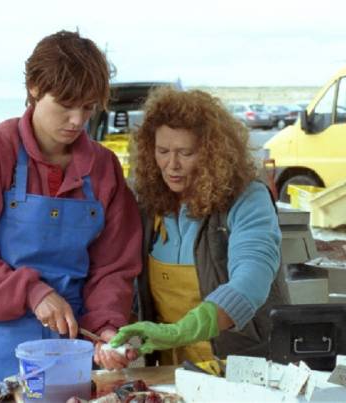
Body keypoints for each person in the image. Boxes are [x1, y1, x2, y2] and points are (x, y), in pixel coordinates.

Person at [0, 30, 142, 390]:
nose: (77, 120)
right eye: (65, 104)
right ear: (33, 88)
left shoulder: (104, 169)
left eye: (88, 107)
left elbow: (114, 266)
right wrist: (31, 291)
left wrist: (107, 326)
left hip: (71, 348)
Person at [110, 88, 288, 365]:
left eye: (186, 152)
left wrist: (181, 331)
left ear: (211, 153)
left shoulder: (248, 198)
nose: (172, 165)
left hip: (245, 369)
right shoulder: (148, 206)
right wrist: (127, 340)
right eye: (163, 151)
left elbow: (252, 278)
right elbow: (134, 288)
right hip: (172, 372)